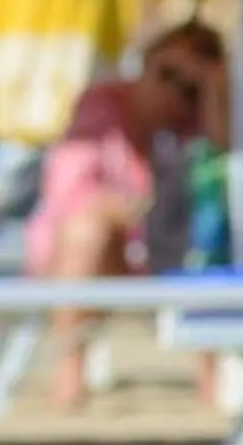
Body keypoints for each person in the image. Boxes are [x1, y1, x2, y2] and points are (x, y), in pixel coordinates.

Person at [26, 21, 227, 408]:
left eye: (189, 88)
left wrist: (213, 98)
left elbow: (223, 179)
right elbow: (71, 194)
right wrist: (143, 212)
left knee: (209, 228)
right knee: (87, 228)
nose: (172, 92)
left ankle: (212, 384)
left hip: (172, 249)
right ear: (146, 62)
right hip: (96, 250)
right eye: (166, 74)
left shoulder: (196, 125)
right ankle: (70, 370)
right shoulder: (101, 106)